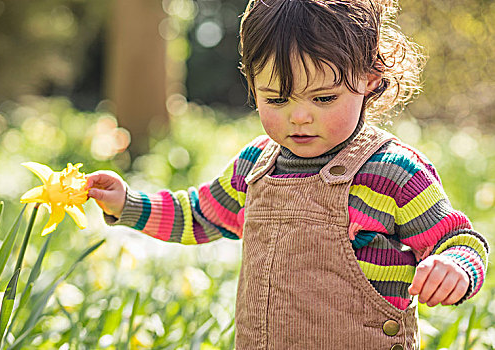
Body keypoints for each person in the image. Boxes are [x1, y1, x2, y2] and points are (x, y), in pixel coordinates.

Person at [85, 0, 489, 348]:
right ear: (252, 84)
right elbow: (199, 214)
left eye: (324, 98)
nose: (299, 117)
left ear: (370, 79)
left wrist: (454, 267)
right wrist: (128, 204)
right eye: (276, 98)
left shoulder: (393, 173)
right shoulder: (255, 167)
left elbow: (457, 240)